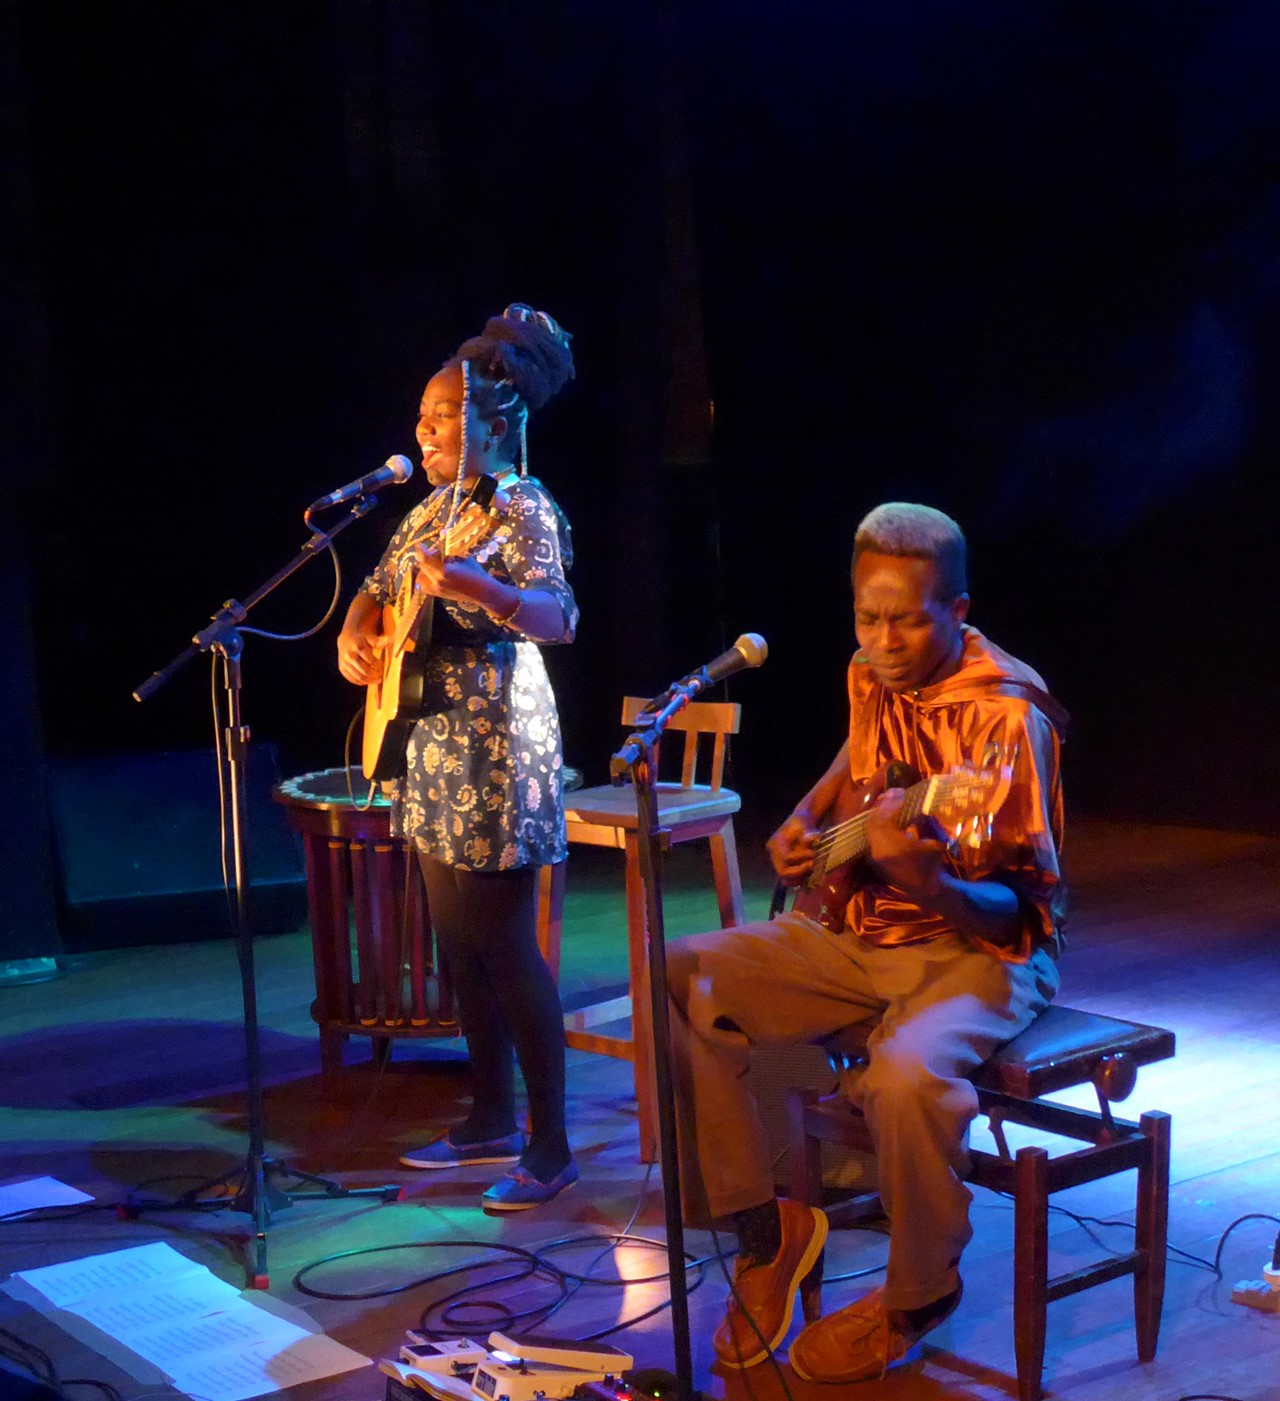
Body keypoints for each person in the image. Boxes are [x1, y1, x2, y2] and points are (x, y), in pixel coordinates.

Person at [666, 502, 1068, 1380]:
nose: (883, 641)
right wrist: (808, 818)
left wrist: (931, 882)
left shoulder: (1007, 719)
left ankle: (917, 1293)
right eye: (867, 617)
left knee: (906, 1076)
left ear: (958, 610)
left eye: (908, 621)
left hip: (980, 953)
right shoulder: (870, 669)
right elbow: (860, 756)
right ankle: (768, 1229)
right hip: (861, 931)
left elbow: (1025, 912)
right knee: (685, 970)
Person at [337, 304, 579, 1211]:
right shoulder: (430, 511)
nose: (425, 432)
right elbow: (374, 590)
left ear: (497, 424)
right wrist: (355, 633)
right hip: (430, 742)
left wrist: (483, 588)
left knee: (504, 944)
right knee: (458, 944)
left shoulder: (523, 506)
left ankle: (551, 1147)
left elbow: (558, 615)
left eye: (443, 416)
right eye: (423, 416)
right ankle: (489, 1119)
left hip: (497, 746)